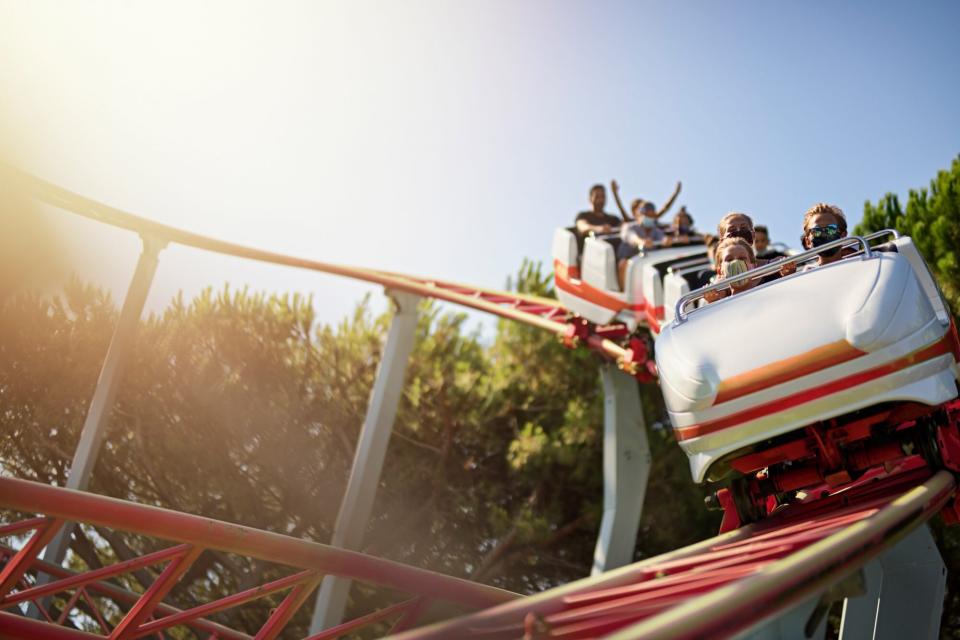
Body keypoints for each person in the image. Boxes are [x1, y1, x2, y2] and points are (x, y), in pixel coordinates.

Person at [780, 203, 850, 275]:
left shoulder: (856, 264)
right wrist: (790, 276)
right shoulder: (807, 273)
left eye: (830, 229)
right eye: (816, 231)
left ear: (843, 235)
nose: (824, 234)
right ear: (808, 242)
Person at [705, 237, 759, 303]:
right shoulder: (720, 306)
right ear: (720, 272)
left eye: (742, 258)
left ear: (753, 266)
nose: (736, 262)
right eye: (729, 260)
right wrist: (714, 303)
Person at [611, 179, 682, 224]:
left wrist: (675, 193)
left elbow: (665, 208)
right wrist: (615, 193)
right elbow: (621, 208)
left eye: (644, 208)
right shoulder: (631, 223)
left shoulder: (652, 219)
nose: (643, 212)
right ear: (633, 213)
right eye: (638, 209)